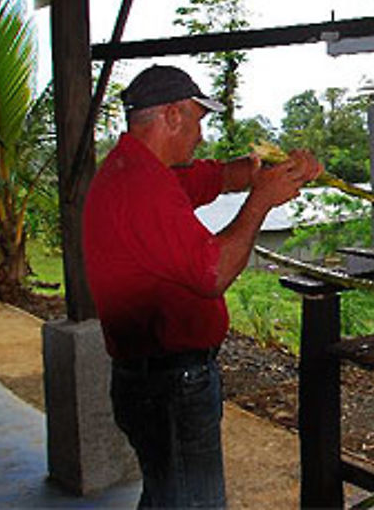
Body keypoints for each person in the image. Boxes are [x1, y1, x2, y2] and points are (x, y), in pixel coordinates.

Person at [83, 64, 322, 508]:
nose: (201, 134)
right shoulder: (141, 188)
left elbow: (211, 178)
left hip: (151, 378)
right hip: (170, 384)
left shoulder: (137, 168)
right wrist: (261, 202)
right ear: (173, 115)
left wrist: (265, 172)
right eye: (197, 120)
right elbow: (213, 273)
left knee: (166, 497)